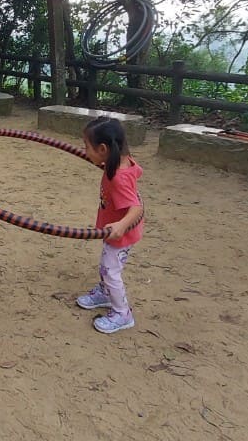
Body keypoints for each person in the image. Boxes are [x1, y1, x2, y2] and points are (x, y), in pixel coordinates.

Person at [75, 117, 145, 334]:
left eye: (87, 147)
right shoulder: (121, 162)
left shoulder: (118, 178)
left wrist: (121, 225)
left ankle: (123, 314)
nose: (83, 150)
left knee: (110, 270)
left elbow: (137, 208)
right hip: (116, 230)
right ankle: (105, 293)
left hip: (120, 234)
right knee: (108, 266)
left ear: (103, 149)